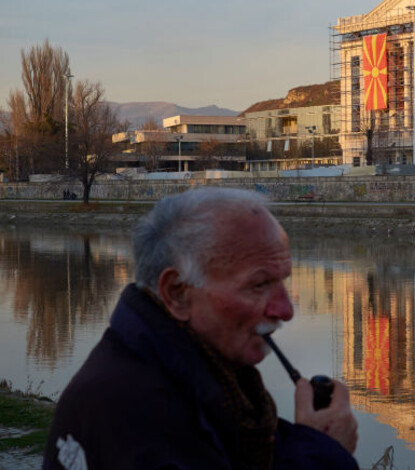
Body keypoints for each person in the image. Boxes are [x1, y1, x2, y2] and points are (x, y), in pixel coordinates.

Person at [44, 188, 359, 470]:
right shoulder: (140, 418)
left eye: (282, 281)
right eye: (259, 284)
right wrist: (321, 453)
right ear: (177, 293)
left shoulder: (178, 376)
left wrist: (304, 442)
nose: (285, 310)